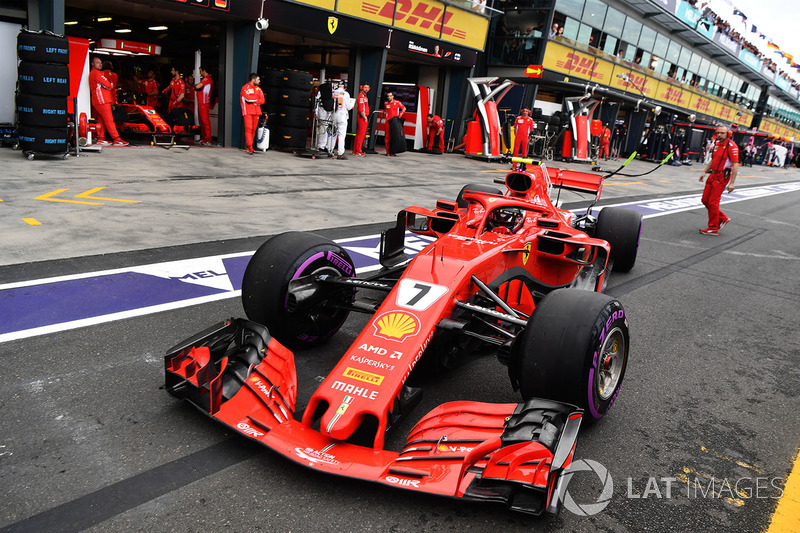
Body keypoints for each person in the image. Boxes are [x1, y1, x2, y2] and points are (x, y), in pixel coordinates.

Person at [698, 126, 738, 236]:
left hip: (721, 177)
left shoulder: (732, 146)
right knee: (705, 200)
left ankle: (713, 228)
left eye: (722, 133)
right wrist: (704, 172)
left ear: (728, 134)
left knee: (713, 203)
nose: (719, 135)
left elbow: (735, 165)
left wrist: (732, 183)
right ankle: (722, 218)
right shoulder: (716, 144)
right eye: (718, 133)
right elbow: (713, 159)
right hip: (713, 175)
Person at [88, 56, 128, 146]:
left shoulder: (95, 73)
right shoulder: (97, 73)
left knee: (101, 120)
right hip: (102, 100)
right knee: (109, 120)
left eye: (100, 63)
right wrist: (109, 83)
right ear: (92, 64)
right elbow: (109, 85)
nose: (100, 64)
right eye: (97, 62)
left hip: (98, 100)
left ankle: (101, 138)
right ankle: (116, 139)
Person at [240, 73, 264, 154]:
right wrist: (256, 99)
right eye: (258, 79)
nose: (259, 81)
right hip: (248, 111)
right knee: (249, 129)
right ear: (253, 79)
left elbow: (262, 100)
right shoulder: (245, 88)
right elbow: (248, 99)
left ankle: (249, 146)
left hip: (257, 112)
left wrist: (254, 101)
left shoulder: (259, 89)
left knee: (253, 130)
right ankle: (250, 146)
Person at [330, 81, 354, 160]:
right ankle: (340, 153)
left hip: (333, 115)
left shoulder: (333, 92)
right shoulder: (346, 94)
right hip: (342, 115)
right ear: (345, 87)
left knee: (333, 134)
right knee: (341, 135)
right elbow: (349, 107)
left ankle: (330, 150)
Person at [195, 66, 214, 145]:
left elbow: (197, 86)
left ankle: (208, 139)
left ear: (204, 70)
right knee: (201, 121)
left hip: (204, 103)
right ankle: (203, 138)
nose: (200, 73)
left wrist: (196, 86)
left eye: (200, 71)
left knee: (205, 121)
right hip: (201, 103)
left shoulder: (207, 79)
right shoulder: (204, 79)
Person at [383, 91, 406, 156]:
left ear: (393, 96)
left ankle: (393, 151)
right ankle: (387, 151)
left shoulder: (397, 102)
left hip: (395, 122)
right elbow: (385, 111)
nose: (389, 97)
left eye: (390, 96)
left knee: (395, 137)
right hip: (388, 122)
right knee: (387, 137)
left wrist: (401, 114)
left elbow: (404, 108)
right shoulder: (386, 103)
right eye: (388, 96)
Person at [353, 83, 370, 157]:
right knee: (361, 134)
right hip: (362, 117)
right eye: (365, 87)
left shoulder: (364, 96)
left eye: (367, 87)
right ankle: (358, 150)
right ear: (361, 88)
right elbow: (360, 109)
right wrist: (364, 117)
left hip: (362, 116)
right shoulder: (361, 96)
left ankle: (355, 150)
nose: (366, 89)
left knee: (359, 134)